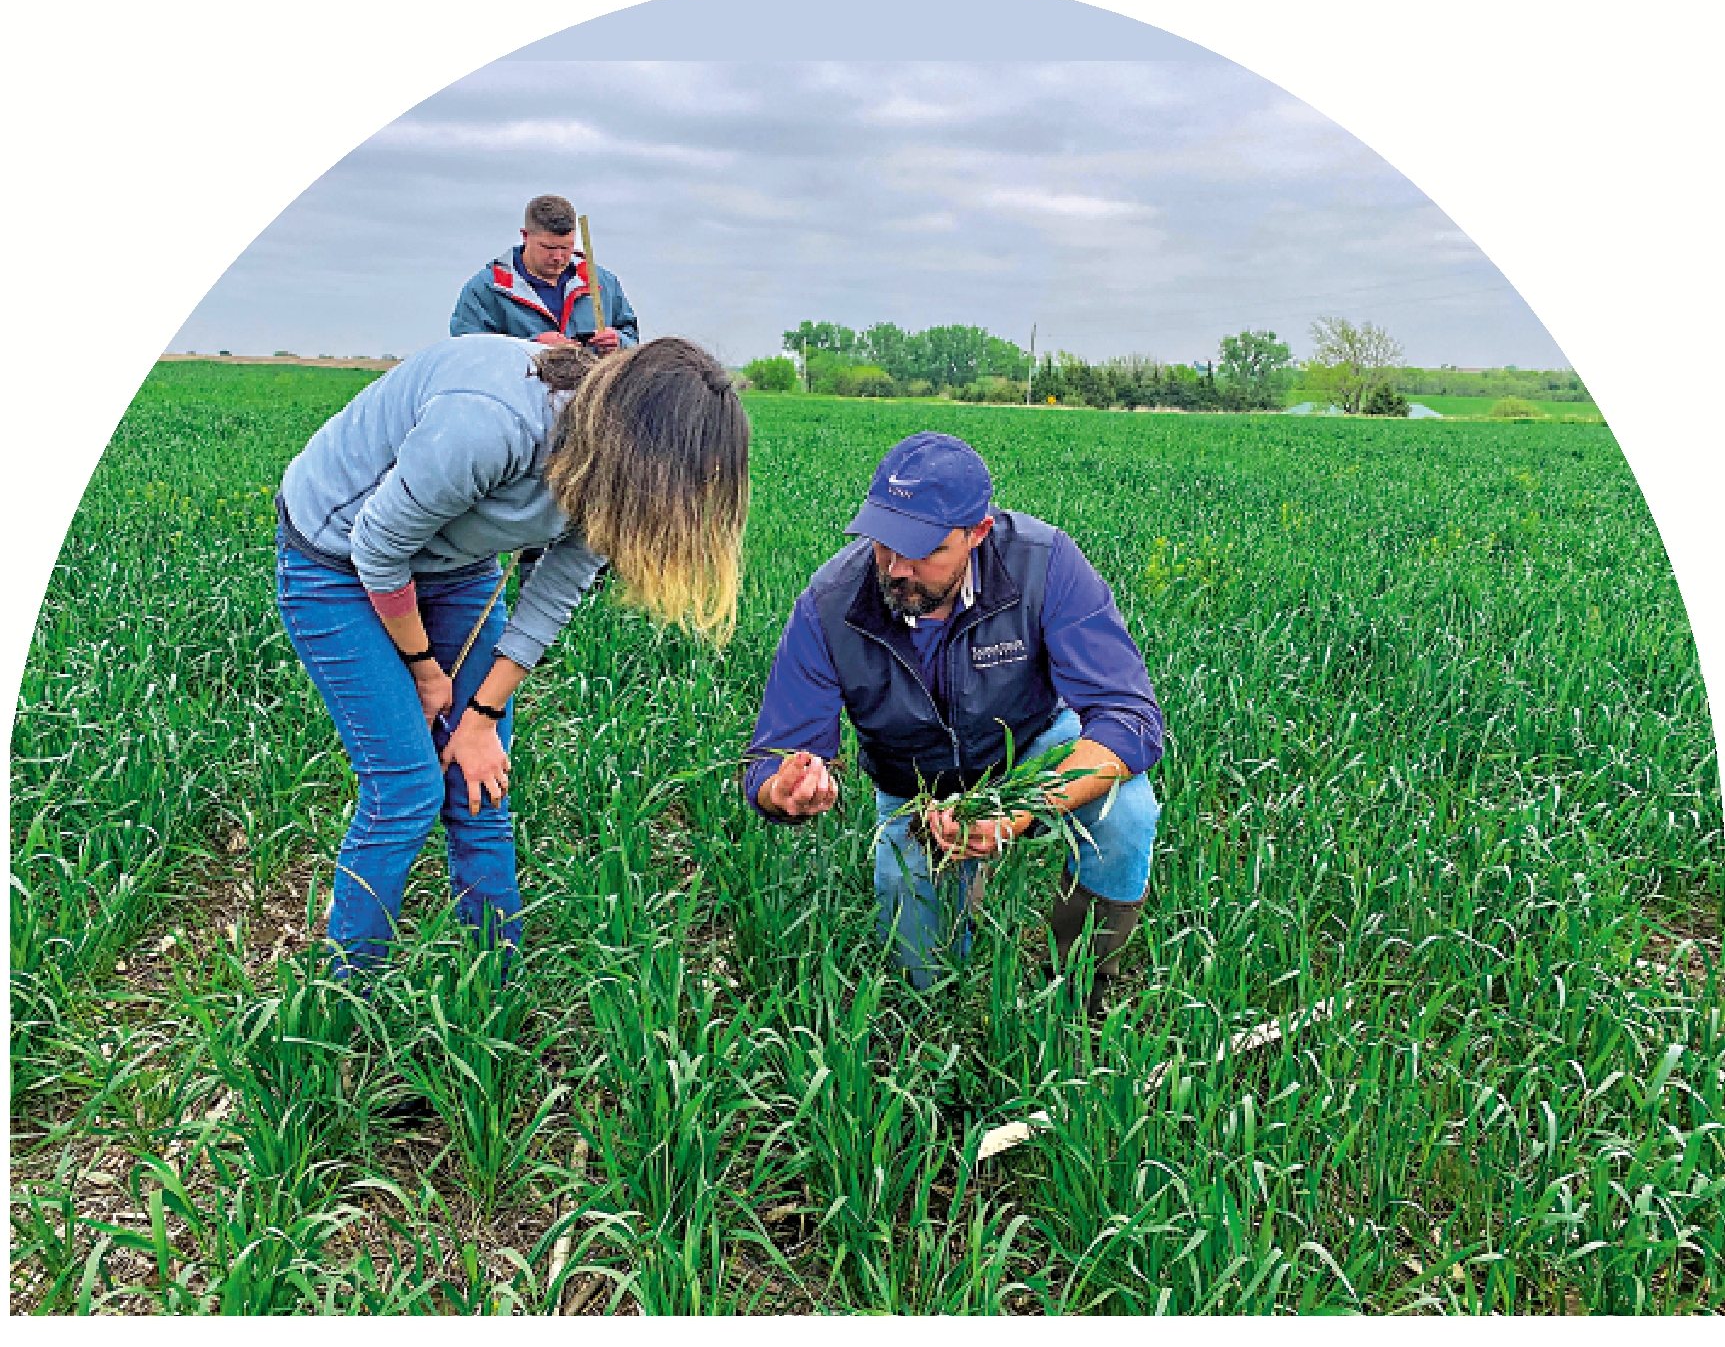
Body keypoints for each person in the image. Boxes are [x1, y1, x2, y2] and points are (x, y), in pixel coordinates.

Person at [276, 333, 747, 975]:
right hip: (337, 558)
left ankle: (496, 980)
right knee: (406, 787)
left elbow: (555, 591)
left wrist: (482, 718)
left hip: (455, 564)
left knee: (481, 774)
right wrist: (426, 672)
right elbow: (379, 546)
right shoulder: (489, 423)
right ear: (633, 438)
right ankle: (348, 993)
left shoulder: (617, 475)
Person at [743, 432, 1164, 1015]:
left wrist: (1015, 814)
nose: (896, 567)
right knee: (923, 984)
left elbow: (1129, 717)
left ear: (978, 534)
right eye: (883, 542)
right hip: (917, 784)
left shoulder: (1043, 564)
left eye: (923, 549)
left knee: (1128, 811)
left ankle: (1080, 985)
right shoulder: (831, 602)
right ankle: (942, 1030)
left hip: (1030, 748)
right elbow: (774, 754)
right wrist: (782, 787)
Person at [449, 194, 640, 351]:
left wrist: (619, 342)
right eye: (548, 247)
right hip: (518, 396)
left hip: (592, 395)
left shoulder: (603, 283)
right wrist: (531, 348)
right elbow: (467, 354)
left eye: (567, 247)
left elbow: (632, 339)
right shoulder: (487, 289)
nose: (558, 257)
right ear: (525, 236)